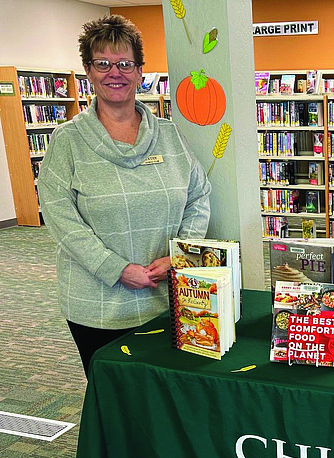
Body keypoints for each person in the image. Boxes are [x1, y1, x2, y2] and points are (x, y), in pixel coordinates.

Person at [38, 14, 211, 376]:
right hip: (97, 308)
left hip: (166, 301)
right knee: (116, 402)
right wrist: (117, 270)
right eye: (103, 63)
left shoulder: (168, 135)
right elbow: (60, 219)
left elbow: (198, 197)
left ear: (139, 71)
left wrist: (180, 255)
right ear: (88, 70)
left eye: (124, 64)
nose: (114, 73)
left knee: (165, 395)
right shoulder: (67, 141)